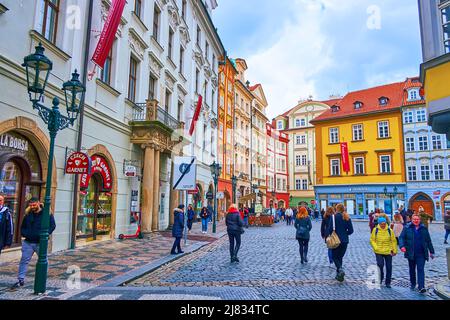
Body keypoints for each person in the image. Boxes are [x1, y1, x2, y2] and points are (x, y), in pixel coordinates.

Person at [11, 198, 56, 288]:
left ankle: (42, 277)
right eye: (31, 205)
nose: (32, 207)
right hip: (28, 242)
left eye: (34, 205)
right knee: (24, 260)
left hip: (40, 242)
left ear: (39, 203)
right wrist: (25, 234)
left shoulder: (47, 214)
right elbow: (23, 226)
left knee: (43, 260)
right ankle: (21, 279)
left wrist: (45, 234)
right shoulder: (28, 214)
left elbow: (52, 225)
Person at [399, 214, 435, 293]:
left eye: (417, 219)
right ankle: (413, 283)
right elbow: (401, 237)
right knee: (412, 269)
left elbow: (428, 240)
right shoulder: (407, 228)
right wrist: (402, 246)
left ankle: (421, 286)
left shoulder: (424, 228)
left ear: (420, 220)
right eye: (414, 219)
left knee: (420, 269)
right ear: (412, 220)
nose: (416, 221)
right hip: (411, 252)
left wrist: (432, 252)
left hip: (421, 253)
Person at [326, 203, 354, 282]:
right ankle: (339, 275)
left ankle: (340, 270)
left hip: (336, 240)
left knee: (335, 257)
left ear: (337, 209)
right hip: (345, 241)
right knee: (340, 257)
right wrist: (345, 234)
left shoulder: (333, 217)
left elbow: (330, 229)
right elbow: (351, 230)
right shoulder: (347, 217)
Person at [370, 217, 398, 288]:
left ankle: (388, 282)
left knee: (389, 267)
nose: (383, 225)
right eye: (381, 224)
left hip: (388, 251)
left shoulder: (389, 230)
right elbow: (372, 240)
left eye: (384, 224)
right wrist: (376, 247)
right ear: (379, 224)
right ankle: (380, 278)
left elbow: (393, 241)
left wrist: (394, 250)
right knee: (380, 265)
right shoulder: (375, 230)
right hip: (378, 251)